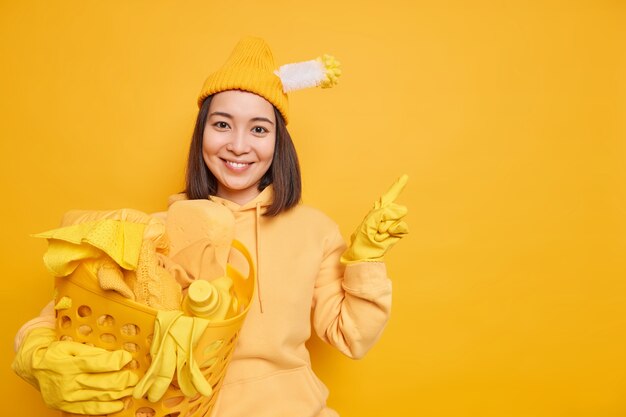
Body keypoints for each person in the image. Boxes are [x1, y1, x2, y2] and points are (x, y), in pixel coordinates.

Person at [12, 37, 408, 417]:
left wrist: (365, 260)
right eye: (222, 124)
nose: (238, 144)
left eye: (258, 129)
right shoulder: (155, 232)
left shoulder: (314, 230)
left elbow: (351, 337)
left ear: (278, 143)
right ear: (201, 134)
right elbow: (59, 315)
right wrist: (35, 354)